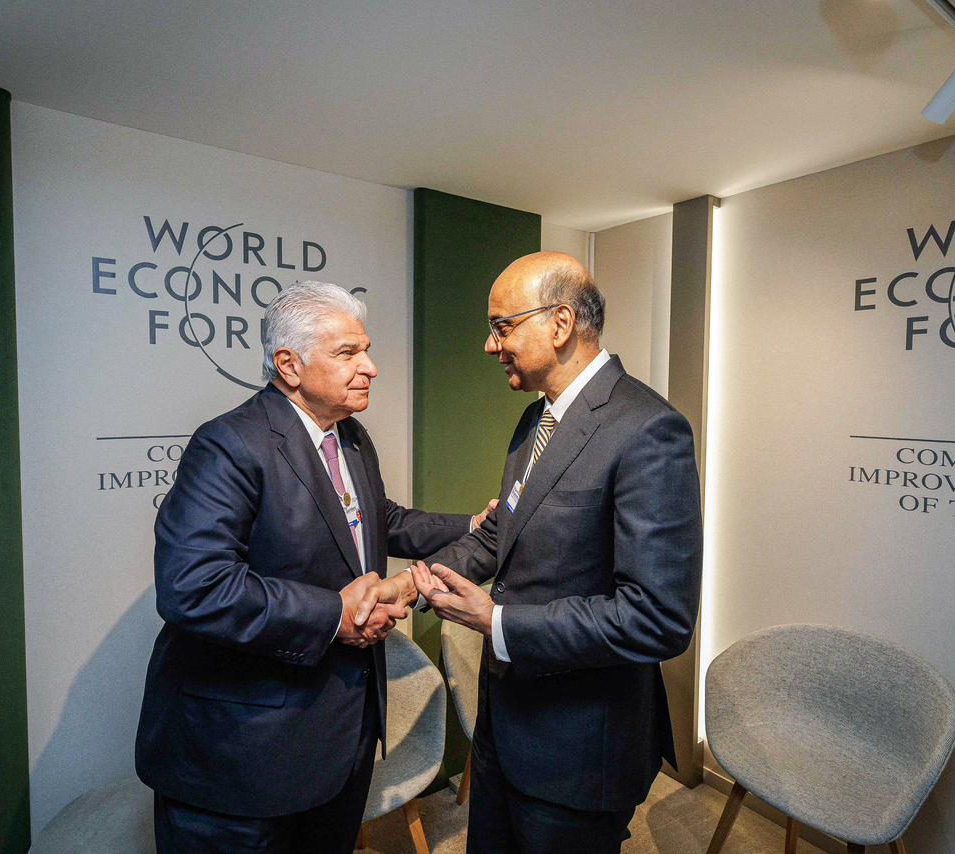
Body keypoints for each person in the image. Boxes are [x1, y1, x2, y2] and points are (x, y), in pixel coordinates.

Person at [135, 280, 485, 854]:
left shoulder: (349, 436)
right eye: (348, 353)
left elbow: (377, 519)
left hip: (338, 741)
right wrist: (333, 615)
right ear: (289, 365)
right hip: (241, 760)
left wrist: (471, 526)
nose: (370, 367)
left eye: (366, 350)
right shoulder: (229, 444)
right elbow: (193, 587)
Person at [407, 252, 703, 853]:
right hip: (504, 726)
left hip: (578, 751)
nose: (490, 346)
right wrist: (412, 585)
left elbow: (658, 618)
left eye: (501, 327)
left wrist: (498, 622)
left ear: (561, 323)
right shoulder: (534, 419)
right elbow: (502, 533)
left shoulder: (648, 430)